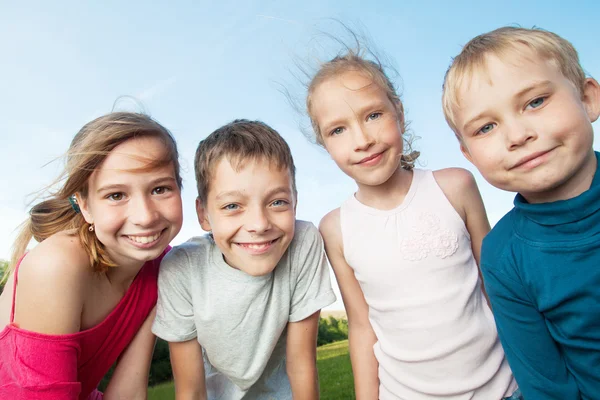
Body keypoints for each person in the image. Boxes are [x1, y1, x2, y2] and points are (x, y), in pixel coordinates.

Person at [305, 44, 519, 399]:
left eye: (373, 115)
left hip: (504, 389)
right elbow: (361, 327)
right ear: (324, 143)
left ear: (399, 114)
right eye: (338, 130)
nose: (362, 140)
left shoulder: (455, 186)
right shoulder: (336, 229)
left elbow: (498, 287)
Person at [442, 26, 600, 399]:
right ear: (468, 154)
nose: (516, 135)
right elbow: (546, 388)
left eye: (535, 102)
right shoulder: (502, 255)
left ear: (588, 98)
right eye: (486, 127)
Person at [0, 112, 184, 400]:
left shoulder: (164, 266)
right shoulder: (57, 265)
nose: (145, 216)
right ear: (85, 206)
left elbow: (129, 390)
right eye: (116, 195)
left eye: (160, 189)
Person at [152, 119, 336, 400]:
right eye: (232, 206)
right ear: (203, 215)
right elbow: (190, 391)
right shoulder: (182, 269)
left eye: (277, 202)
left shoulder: (303, 242)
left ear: (295, 201)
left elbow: (301, 363)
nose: (259, 224)